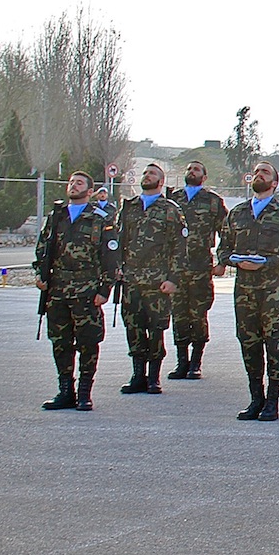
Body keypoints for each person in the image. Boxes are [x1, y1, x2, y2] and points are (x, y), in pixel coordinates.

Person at [215, 161, 279, 421]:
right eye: (257, 171)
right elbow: (223, 249)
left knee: (274, 344)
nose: (259, 174)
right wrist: (234, 261)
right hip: (244, 290)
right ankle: (256, 398)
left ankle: (272, 401)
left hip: (272, 289)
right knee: (248, 343)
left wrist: (268, 262)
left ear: (274, 183)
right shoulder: (237, 213)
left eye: (265, 172)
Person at [33, 170, 121, 412]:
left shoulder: (100, 219)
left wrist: (105, 289)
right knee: (60, 343)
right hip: (58, 291)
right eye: (71, 182)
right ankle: (65, 391)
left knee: (88, 342)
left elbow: (111, 256)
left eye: (79, 183)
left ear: (90, 191)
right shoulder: (56, 217)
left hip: (86, 291)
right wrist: (40, 275)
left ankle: (84, 392)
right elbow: (43, 249)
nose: (73, 186)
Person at [114, 163, 184, 395]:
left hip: (157, 281)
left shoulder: (170, 209)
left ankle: (153, 377)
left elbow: (179, 247)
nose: (147, 176)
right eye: (145, 173)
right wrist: (117, 268)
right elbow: (119, 240)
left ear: (161, 182)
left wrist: (173, 278)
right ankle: (138, 375)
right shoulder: (130, 207)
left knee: (155, 329)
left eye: (152, 174)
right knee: (133, 328)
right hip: (132, 279)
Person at [165, 160, 227, 379]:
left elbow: (226, 232)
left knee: (198, 314)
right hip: (177, 268)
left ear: (204, 176)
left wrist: (222, 261)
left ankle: (196, 362)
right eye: (189, 169)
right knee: (179, 314)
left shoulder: (212, 201)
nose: (192, 172)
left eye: (197, 170)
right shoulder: (173, 200)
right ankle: (182, 361)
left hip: (201, 266)